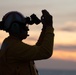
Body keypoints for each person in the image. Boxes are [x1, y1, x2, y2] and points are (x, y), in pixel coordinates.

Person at [0, 10, 54, 75]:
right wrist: (49, 27)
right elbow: (45, 52)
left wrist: (45, 28)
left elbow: (38, 48)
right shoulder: (15, 47)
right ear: (15, 27)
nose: (27, 29)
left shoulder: (10, 44)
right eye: (24, 26)